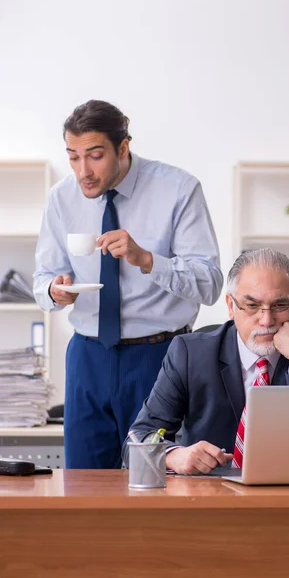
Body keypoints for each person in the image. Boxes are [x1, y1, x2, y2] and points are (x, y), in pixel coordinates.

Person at [33, 99, 223, 469]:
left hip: (160, 356)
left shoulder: (179, 190)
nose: (83, 170)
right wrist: (54, 291)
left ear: (123, 148)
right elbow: (43, 279)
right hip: (88, 356)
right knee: (84, 485)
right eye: (73, 157)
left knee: (156, 478)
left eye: (95, 155)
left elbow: (211, 283)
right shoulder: (61, 198)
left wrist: (148, 260)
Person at [124, 247, 289, 475]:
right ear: (231, 306)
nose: (266, 320)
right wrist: (172, 455)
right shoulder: (189, 354)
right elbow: (137, 441)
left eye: (280, 305)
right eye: (252, 306)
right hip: (208, 495)